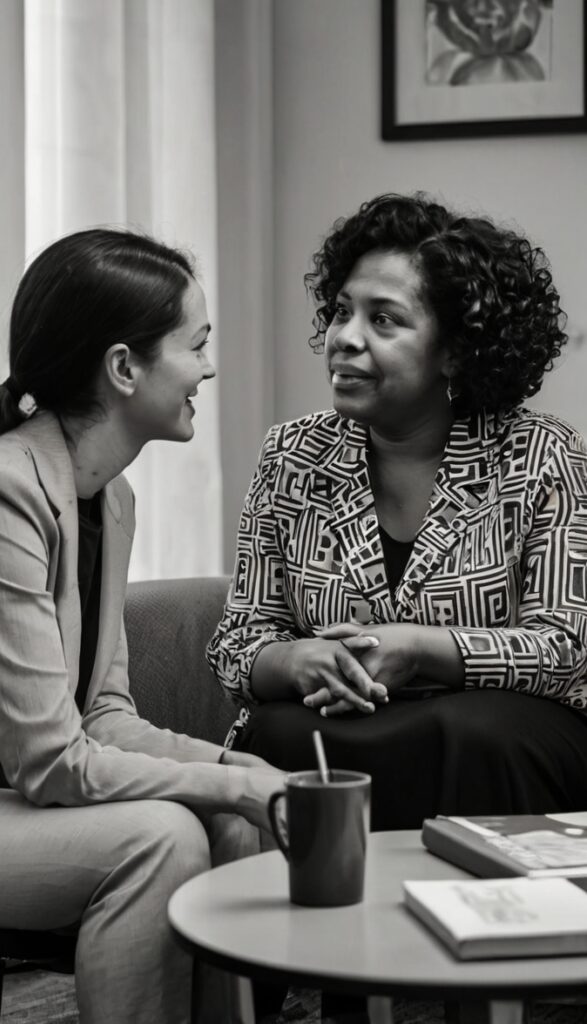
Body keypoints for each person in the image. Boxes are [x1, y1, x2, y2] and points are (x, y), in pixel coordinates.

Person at [0, 228, 284, 1024]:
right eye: (196, 346)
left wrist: (238, 771)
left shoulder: (109, 496)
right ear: (123, 368)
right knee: (160, 839)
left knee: (229, 823)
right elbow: (52, 761)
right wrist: (236, 783)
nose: (208, 368)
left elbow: (101, 717)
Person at [207, 192, 587, 832]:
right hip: (342, 729)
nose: (345, 338)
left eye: (383, 319)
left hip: (495, 743)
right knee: (279, 731)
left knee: (480, 729)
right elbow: (238, 640)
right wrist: (294, 661)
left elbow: (564, 647)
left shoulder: (542, 454)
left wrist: (418, 648)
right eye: (341, 311)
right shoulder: (291, 455)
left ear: (455, 350)